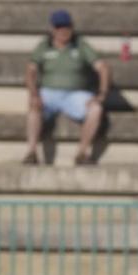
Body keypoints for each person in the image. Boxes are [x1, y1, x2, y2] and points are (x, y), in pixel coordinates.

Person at [23, 9, 110, 166]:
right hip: (49, 92)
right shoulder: (44, 45)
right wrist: (33, 93)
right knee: (33, 105)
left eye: (67, 26)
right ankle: (31, 152)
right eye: (59, 27)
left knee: (96, 108)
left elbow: (102, 67)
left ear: (72, 27)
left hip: (75, 94)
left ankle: (82, 153)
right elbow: (30, 71)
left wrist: (102, 94)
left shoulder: (81, 44)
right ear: (52, 29)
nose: (63, 31)